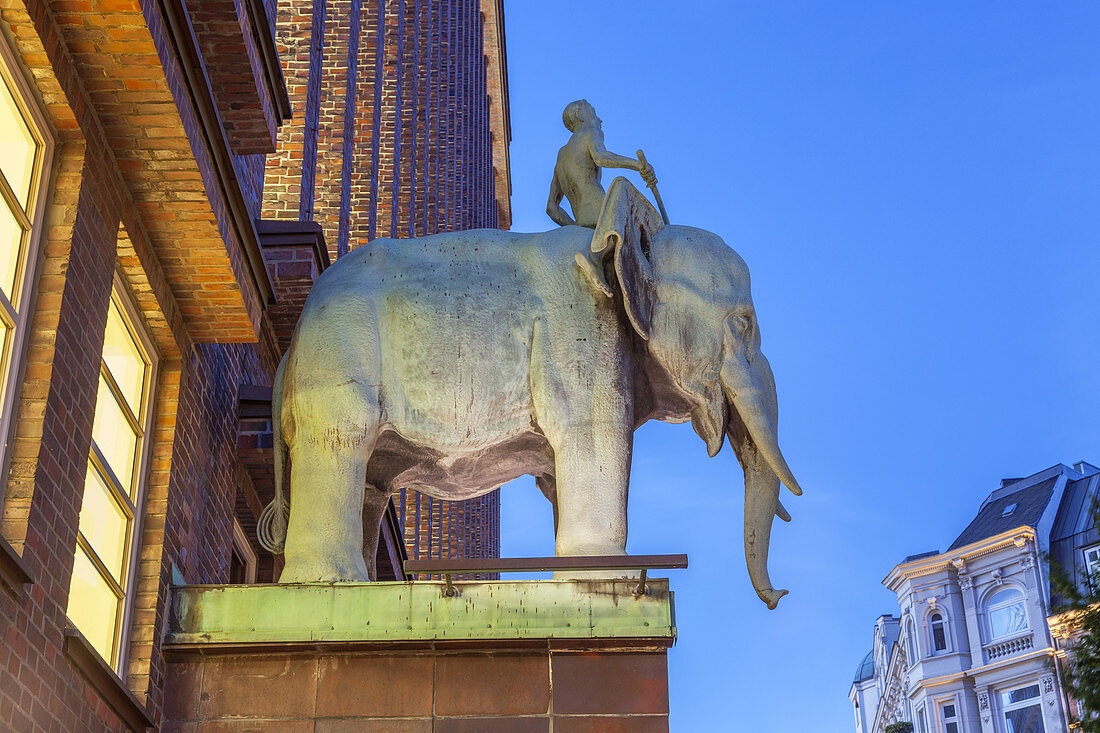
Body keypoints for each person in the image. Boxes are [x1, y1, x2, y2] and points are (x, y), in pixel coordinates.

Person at [546, 100, 656, 228]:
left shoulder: (561, 154)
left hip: (582, 221)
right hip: (602, 213)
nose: (600, 120)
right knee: (647, 230)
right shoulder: (591, 133)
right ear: (579, 115)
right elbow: (601, 157)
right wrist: (639, 165)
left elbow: (551, 208)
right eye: (593, 113)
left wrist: (577, 229)